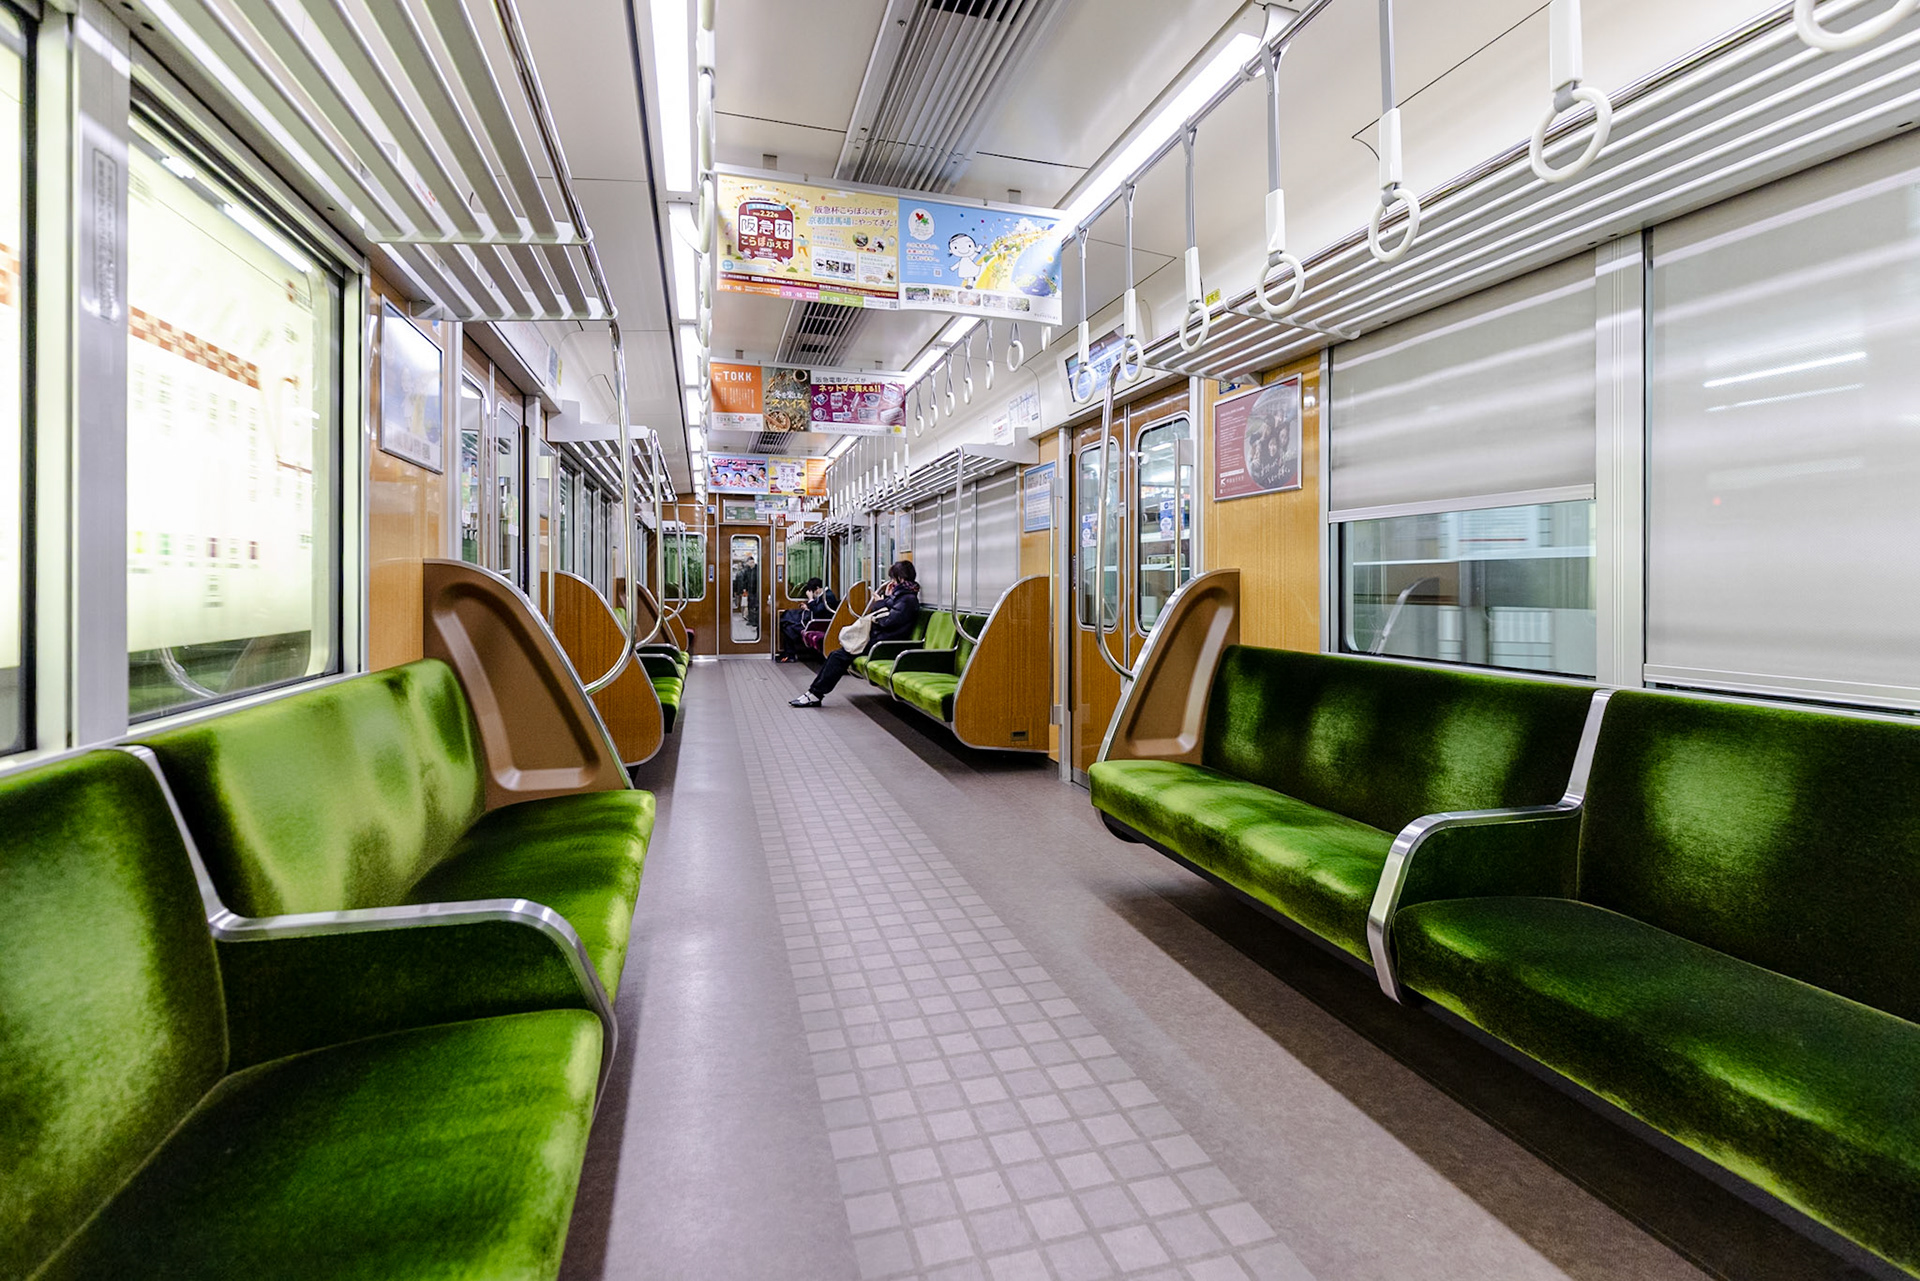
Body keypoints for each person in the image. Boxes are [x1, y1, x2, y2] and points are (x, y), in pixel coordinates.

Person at [789, 561, 918, 707]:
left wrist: (881, 602)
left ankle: (815, 694)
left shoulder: (908, 600)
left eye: (893, 579)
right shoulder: (901, 597)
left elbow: (887, 622)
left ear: (900, 579)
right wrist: (887, 598)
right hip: (880, 639)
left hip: (885, 644)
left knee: (838, 657)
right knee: (835, 655)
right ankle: (813, 693)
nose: (891, 583)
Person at [776, 577, 837, 662]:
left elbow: (817, 611)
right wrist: (807, 607)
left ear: (817, 589)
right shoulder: (823, 595)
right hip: (813, 619)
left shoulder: (828, 596)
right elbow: (818, 609)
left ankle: (790, 654)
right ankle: (790, 654)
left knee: (788, 626)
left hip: (819, 623)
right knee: (787, 621)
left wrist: (811, 599)